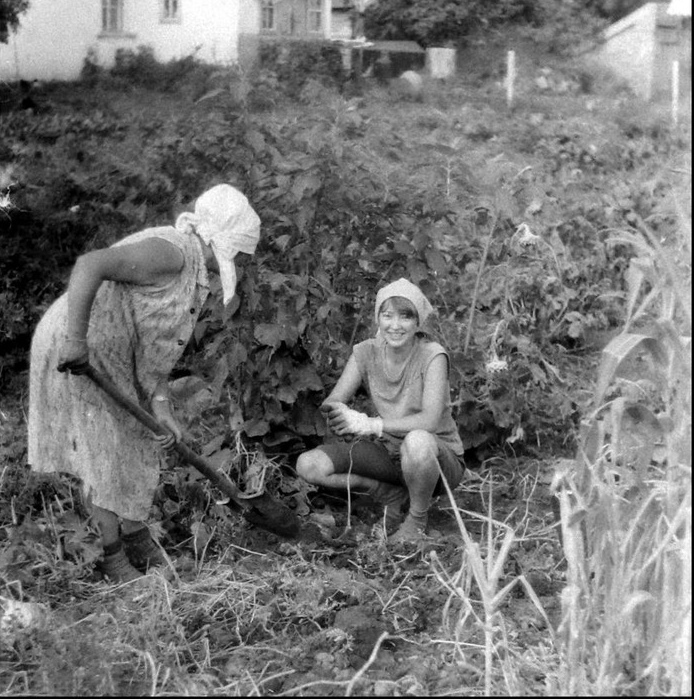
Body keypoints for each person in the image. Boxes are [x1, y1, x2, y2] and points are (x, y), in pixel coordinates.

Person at [28, 184, 260, 583]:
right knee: (102, 449)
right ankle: (113, 558)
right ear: (219, 240)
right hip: (81, 345)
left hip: (117, 350)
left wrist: (162, 405)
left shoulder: (192, 268)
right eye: (238, 250)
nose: (239, 259)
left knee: (136, 440)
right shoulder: (169, 252)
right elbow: (90, 263)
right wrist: (76, 341)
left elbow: (157, 343)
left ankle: (137, 539)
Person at [296, 278, 465, 545]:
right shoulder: (366, 352)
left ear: (418, 321)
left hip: (438, 460)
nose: (395, 325)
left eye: (405, 317)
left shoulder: (432, 355)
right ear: (378, 318)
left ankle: (417, 520)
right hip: (390, 455)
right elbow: (334, 399)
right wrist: (341, 415)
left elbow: (430, 421)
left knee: (417, 441)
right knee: (309, 464)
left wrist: (372, 425)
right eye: (387, 316)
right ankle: (388, 494)